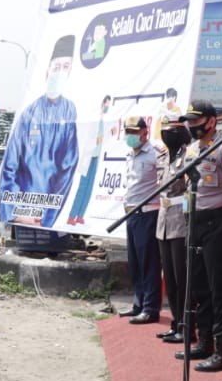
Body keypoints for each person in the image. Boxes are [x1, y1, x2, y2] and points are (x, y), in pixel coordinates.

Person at [174, 100, 222, 372]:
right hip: (195, 221)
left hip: (220, 221)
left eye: (196, 121)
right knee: (199, 285)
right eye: (189, 122)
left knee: (221, 286)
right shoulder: (191, 150)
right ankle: (205, 342)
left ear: (212, 121)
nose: (192, 126)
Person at [0, 35, 79, 227]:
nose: (59, 72)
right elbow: (9, 167)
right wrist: (17, 213)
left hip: (48, 216)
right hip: (22, 212)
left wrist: (47, 218)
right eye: (56, 67)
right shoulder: (29, 114)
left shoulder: (70, 111)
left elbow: (67, 169)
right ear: (47, 70)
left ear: (70, 72)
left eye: (65, 67)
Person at [118, 116, 162, 324]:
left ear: (145, 132)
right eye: (128, 132)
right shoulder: (130, 154)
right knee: (135, 262)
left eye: (135, 132)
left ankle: (150, 308)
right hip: (131, 214)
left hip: (148, 213)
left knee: (149, 263)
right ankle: (139, 303)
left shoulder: (155, 153)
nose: (131, 136)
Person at [153, 116, 189, 344]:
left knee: (181, 277)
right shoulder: (162, 158)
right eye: (164, 131)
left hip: (181, 220)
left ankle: (186, 326)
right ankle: (176, 322)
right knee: (169, 278)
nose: (167, 135)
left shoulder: (188, 157)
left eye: (172, 131)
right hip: (163, 221)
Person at [66, 96, 111, 226]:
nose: (107, 107)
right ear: (101, 104)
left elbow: (102, 140)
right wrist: (109, 134)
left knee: (89, 187)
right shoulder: (94, 120)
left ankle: (80, 215)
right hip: (88, 156)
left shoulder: (103, 121)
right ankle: (71, 216)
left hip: (95, 157)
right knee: (83, 187)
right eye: (106, 105)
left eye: (109, 105)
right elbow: (93, 139)